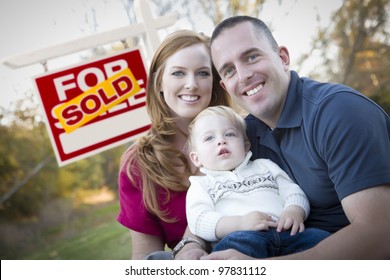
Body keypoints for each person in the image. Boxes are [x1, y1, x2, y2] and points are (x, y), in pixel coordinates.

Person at [200, 15, 390, 260]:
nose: (243, 75)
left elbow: (380, 235)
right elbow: (210, 188)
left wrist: (262, 269)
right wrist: (191, 243)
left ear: (282, 58)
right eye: (229, 70)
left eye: (251, 57)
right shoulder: (244, 137)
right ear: (226, 86)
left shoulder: (338, 112)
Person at [117, 30, 231, 259]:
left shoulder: (241, 135)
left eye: (202, 73)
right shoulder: (138, 165)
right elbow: (145, 256)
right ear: (159, 82)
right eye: (178, 73)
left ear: (214, 81)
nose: (192, 84)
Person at [186, 105, 330, 258]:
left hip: (287, 231)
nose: (221, 141)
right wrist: (239, 223)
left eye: (229, 134)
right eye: (209, 138)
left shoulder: (265, 165)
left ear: (246, 146)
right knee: (226, 257)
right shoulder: (201, 185)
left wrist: (294, 210)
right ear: (196, 158)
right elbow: (199, 220)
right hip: (241, 237)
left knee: (322, 239)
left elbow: (292, 191)